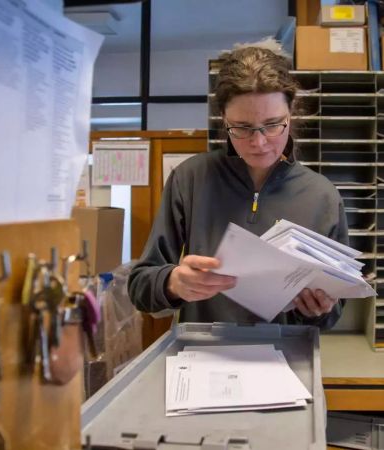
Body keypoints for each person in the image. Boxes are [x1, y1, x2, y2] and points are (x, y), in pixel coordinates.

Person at [127, 41, 350, 330]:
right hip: (205, 356)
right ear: (224, 119)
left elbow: (333, 315)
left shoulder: (322, 196)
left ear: (291, 113)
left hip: (284, 358)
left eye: (272, 124)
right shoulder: (191, 178)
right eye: (242, 128)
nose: (258, 143)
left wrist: (318, 310)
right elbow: (140, 287)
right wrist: (172, 283)